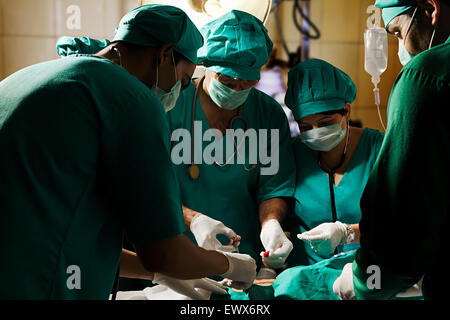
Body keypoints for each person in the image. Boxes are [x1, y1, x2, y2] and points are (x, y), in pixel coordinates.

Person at [0, 4, 256, 300]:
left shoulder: (33, 76)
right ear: (164, 54)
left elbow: (59, 233)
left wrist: (155, 273)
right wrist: (231, 265)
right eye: (184, 81)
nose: (180, 90)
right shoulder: (130, 98)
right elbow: (164, 251)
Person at [333, 0, 450, 300]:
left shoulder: (424, 78)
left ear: (429, 9)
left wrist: (364, 282)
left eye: (398, 32)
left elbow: (400, 228)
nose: (400, 49)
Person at [167, 10, 296, 279]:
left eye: (247, 82)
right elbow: (146, 187)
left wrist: (271, 223)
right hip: (177, 254)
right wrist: (193, 220)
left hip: (242, 261)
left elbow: (273, 185)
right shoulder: (171, 105)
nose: (236, 89)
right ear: (205, 65)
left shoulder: (268, 114)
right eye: (226, 81)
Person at [284, 59, 384, 268]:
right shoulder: (293, 154)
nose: (315, 132)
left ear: (346, 110)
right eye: (305, 126)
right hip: (307, 277)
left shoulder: (379, 149)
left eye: (325, 124)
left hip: (370, 273)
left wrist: (348, 233)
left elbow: (406, 222)